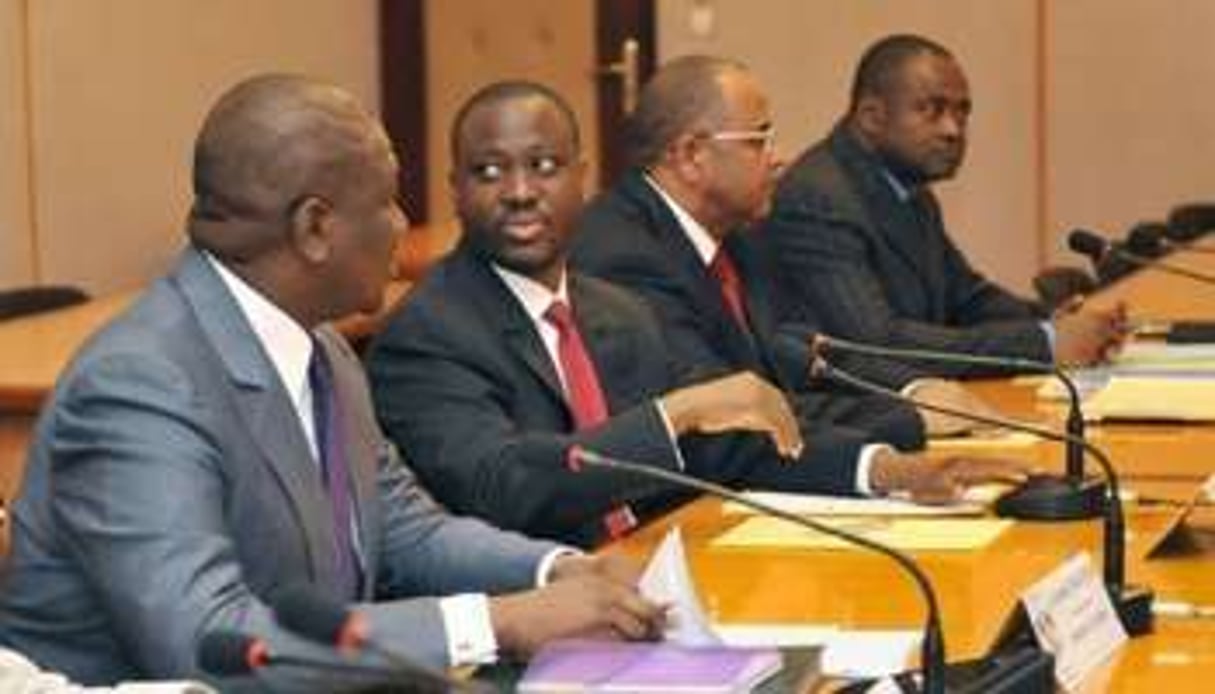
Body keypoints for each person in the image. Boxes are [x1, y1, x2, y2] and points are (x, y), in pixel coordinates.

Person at [0, 74, 663, 691]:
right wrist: (497, 622)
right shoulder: (140, 385)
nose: (405, 225)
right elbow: (209, 639)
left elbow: (405, 532)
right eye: (388, 202)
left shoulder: (322, 347)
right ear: (315, 228)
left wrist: (557, 570)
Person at [366, 81, 806, 548]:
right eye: (489, 171)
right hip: (538, 599)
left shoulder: (620, 311)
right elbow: (500, 485)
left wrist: (876, 468)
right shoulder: (425, 334)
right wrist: (673, 414)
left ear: (582, 178)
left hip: (655, 571)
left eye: (544, 166)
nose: (520, 192)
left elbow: (724, 449)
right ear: (456, 190)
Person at [572, 56, 1026, 503]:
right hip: (671, 515)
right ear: (691, 155)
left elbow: (806, 362)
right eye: (759, 140)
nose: (779, 158)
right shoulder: (624, 256)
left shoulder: (741, 236)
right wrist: (901, 430)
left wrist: (916, 395)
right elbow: (730, 419)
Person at [762, 34, 1126, 379]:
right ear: (872, 116)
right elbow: (876, 343)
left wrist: (1054, 321)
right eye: (932, 110)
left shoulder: (908, 188)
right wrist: (1045, 342)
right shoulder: (818, 199)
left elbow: (966, 297)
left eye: (962, 113)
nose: (953, 130)